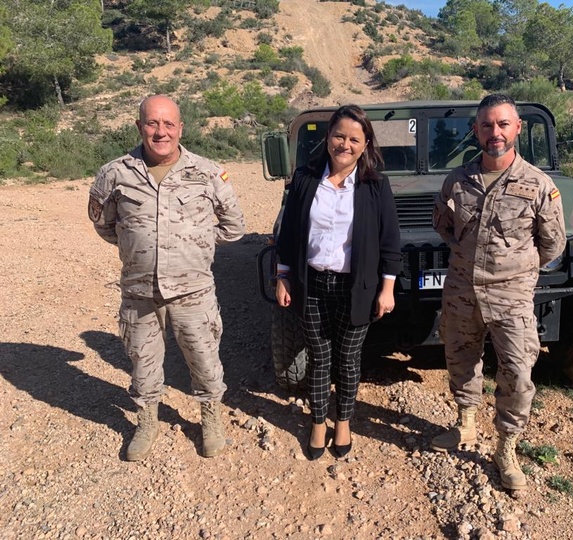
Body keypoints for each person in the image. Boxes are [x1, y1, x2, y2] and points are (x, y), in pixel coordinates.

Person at [88, 95, 246, 461]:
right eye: (152, 123)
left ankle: (210, 419)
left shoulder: (207, 172)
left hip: (193, 291)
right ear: (139, 126)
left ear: (180, 128)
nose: (161, 132)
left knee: (205, 361)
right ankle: (146, 421)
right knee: (142, 364)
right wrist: (140, 247)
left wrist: (194, 245)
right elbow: (104, 224)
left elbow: (234, 226)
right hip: (140, 291)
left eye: (168, 124)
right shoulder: (115, 173)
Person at [431, 94, 566, 491]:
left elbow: (552, 244)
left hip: (511, 296)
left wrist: (514, 271)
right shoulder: (457, 180)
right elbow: (443, 225)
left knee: (518, 373)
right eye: (487, 125)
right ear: (476, 130)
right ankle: (466, 424)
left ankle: (506, 448)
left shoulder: (539, 184)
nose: (495, 133)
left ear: (517, 128)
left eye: (503, 124)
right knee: (459, 359)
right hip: (460, 291)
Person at [275, 104, 402, 460]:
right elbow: (288, 235)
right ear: (329, 137)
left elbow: (390, 240)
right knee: (319, 357)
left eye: (354, 139)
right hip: (311, 283)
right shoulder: (304, 178)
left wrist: (387, 288)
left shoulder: (375, 185)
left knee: (347, 359)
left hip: (355, 288)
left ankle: (343, 421)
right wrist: (283, 278)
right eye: (339, 136)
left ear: (365, 144)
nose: (345, 144)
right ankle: (318, 422)